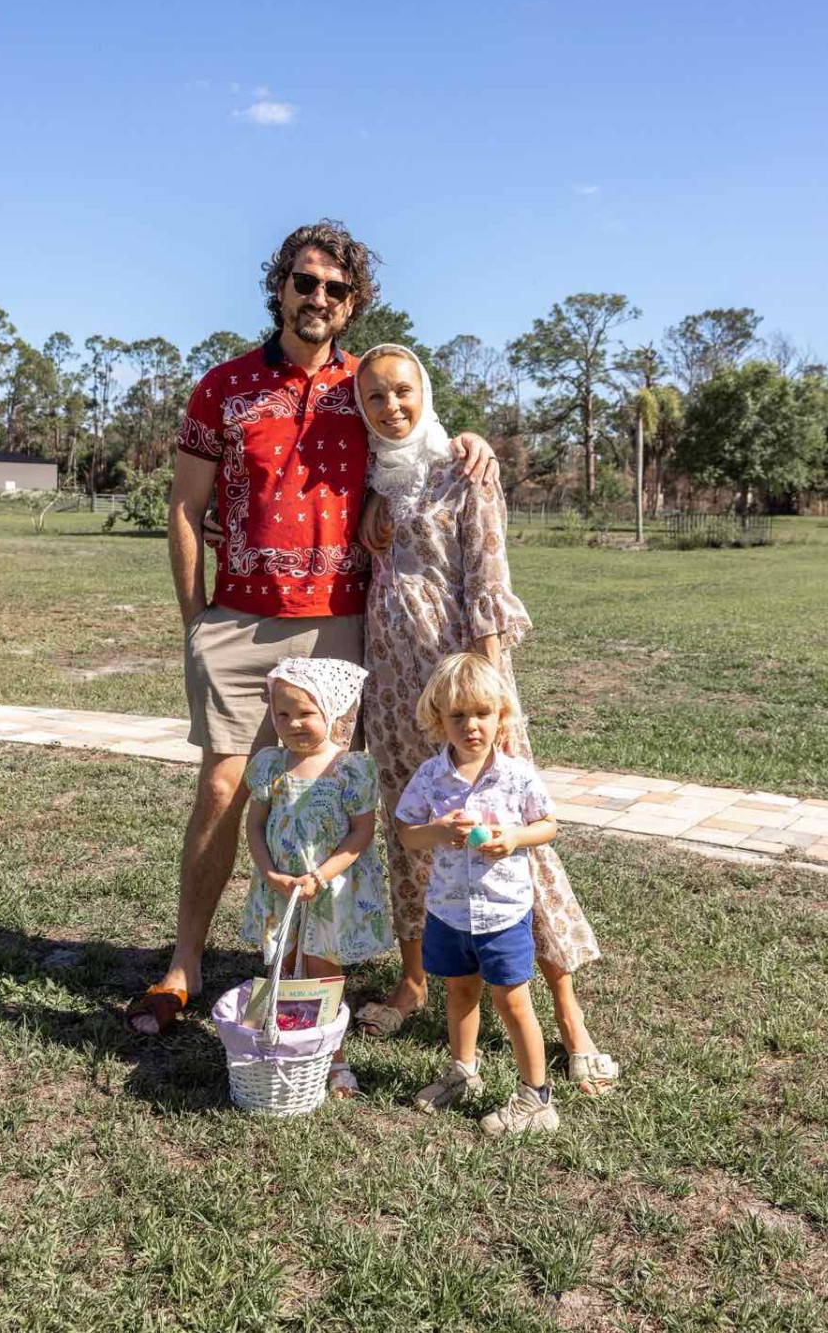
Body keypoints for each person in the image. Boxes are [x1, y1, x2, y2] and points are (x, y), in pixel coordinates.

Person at [128, 222, 496, 1034]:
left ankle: (324, 964)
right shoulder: (223, 387)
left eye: (335, 288)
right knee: (224, 787)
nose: (317, 297)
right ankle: (184, 963)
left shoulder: (364, 387)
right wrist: (196, 619)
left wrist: (469, 441)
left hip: (342, 624)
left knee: (334, 795)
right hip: (239, 620)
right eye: (304, 281)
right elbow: (185, 508)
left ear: (352, 303)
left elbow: (419, 440)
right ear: (280, 288)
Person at [354, 343, 618, 1095]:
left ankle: (569, 1015)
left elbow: (488, 583)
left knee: (511, 836)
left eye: (402, 391)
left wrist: (496, 697)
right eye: (374, 397)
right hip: (394, 693)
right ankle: (415, 982)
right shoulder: (370, 477)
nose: (391, 407)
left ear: (425, 392)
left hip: (463, 686)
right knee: (414, 832)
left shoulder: (464, 468)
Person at [397, 653, 560, 1135]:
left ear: (500, 715)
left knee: (512, 1000)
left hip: (502, 912)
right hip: (448, 911)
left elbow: (547, 824)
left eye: (482, 713)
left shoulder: (516, 775)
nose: (471, 725)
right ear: (438, 720)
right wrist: (438, 830)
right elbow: (407, 832)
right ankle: (463, 1073)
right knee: (459, 991)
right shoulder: (430, 776)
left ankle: (536, 1098)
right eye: (458, 716)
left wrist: (515, 837)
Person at [241, 657, 392, 1097]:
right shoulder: (271, 765)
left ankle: (333, 1057)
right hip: (280, 889)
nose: (293, 723)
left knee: (322, 973)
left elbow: (362, 832)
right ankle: (279, 1046)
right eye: (282, 714)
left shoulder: (349, 768)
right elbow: (255, 825)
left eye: (306, 713)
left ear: (332, 711)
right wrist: (270, 873)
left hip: (327, 891)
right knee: (280, 965)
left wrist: (321, 876)